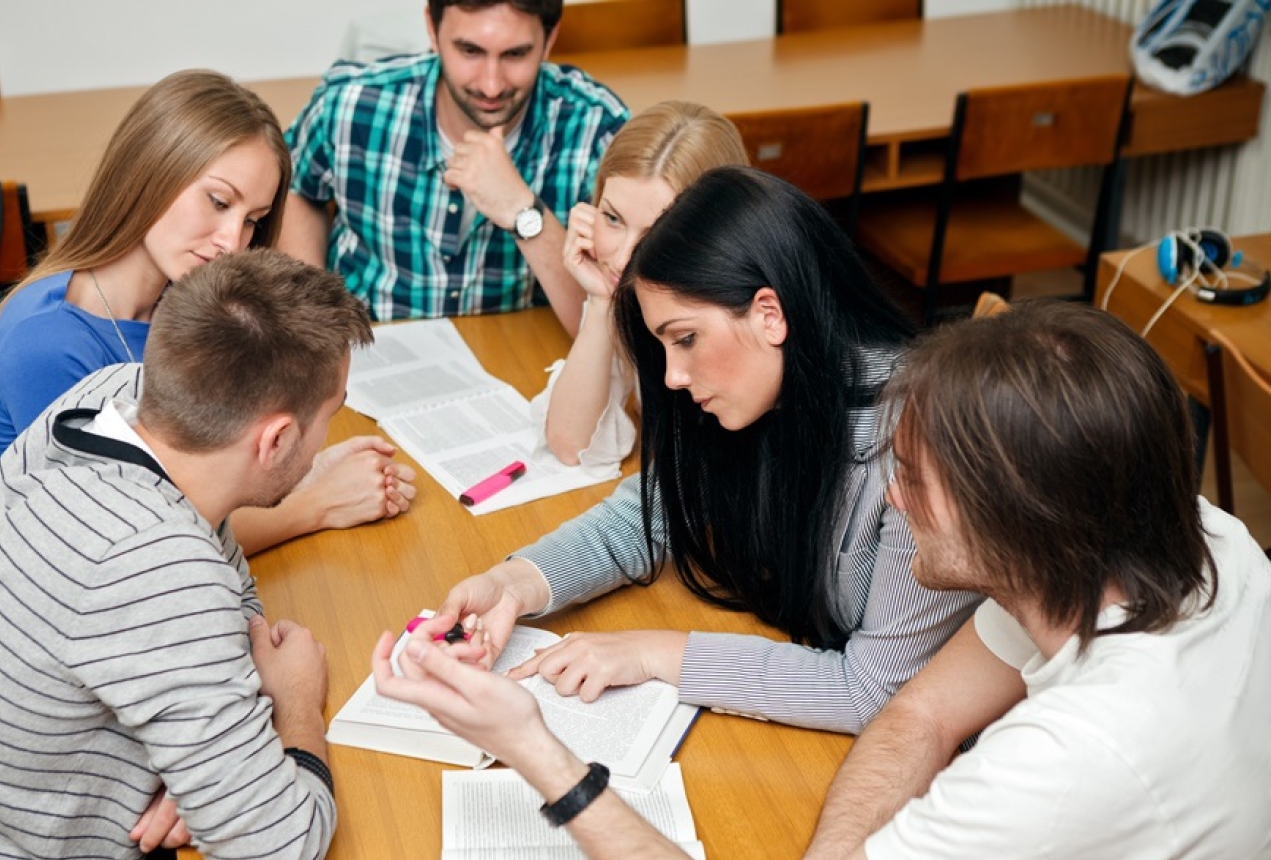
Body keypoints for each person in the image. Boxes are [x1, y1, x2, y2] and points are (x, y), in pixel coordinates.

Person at [375, 301, 1271, 860]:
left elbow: (905, 711)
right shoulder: (1190, 537)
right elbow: (919, 713)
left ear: (1015, 517)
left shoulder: (1070, 756)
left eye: (916, 480)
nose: (891, 495)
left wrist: (538, 749)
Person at [429, 166, 979, 734]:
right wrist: (514, 584)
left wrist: (655, 652)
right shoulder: (770, 395)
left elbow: (872, 691)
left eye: (686, 338)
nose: (671, 376)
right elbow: (649, 516)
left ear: (770, 314)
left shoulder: (923, 445)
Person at [0, 249, 363, 859]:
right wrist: (295, 706)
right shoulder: (158, 565)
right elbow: (278, 844)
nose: (325, 441)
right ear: (278, 438)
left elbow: (234, 615)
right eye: (330, 415)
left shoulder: (112, 401)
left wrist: (207, 776)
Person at [0, 69, 415, 553]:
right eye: (218, 201)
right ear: (150, 171)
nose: (233, 241)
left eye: (253, 221)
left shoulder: (172, 300)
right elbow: (127, 541)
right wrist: (316, 503)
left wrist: (302, 470)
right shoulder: (47, 347)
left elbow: (188, 483)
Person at [278, 0, 629, 333]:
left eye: (516, 54)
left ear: (549, 39)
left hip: (513, 353)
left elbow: (610, 327)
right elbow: (298, 188)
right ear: (432, 28)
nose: (491, 85)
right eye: (470, 51)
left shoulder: (598, 130)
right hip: (365, 345)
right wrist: (313, 315)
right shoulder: (350, 102)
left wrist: (524, 213)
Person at [533, 100, 749, 468]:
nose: (621, 259)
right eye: (612, 217)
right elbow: (571, 444)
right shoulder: (633, 297)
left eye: (656, 234)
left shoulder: (731, 317)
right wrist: (601, 302)